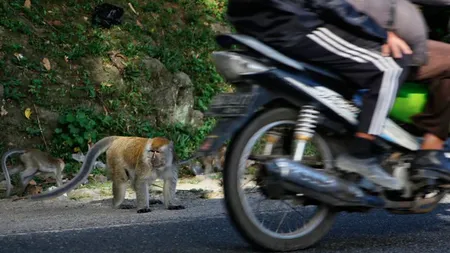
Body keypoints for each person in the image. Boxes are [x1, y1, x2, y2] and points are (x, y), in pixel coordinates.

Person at [225, 0, 450, 189]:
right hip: (295, 22)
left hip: (257, 19)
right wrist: (380, 34)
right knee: (390, 67)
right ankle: (362, 153)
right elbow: (330, 3)